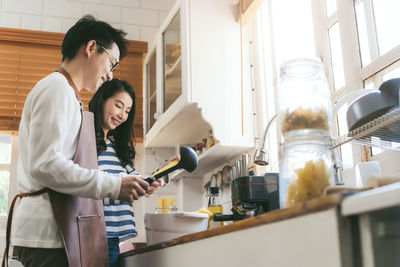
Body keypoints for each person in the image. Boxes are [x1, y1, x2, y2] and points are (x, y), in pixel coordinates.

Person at [9, 15, 157, 266]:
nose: (110, 75)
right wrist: (114, 185)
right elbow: (45, 165)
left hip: (59, 231)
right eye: (111, 62)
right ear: (90, 48)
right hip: (48, 236)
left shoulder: (68, 94)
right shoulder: (56, 89)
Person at [89, 79, 176, 266]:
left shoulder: (116, 148)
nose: (122, 115)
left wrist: (165, 171)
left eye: (127, 111)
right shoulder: (85, 144)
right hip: (92, 238)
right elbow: (84, 184)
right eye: (118, 106)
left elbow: (134, 180)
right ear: (102, 101)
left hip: (115, 239)